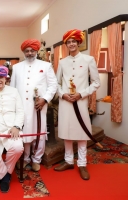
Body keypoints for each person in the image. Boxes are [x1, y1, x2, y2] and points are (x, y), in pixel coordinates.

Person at [54, 29, 100, 180]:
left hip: (80, 101)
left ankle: (82, 163)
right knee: (67, 132)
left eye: (74, 41)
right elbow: (56, 83)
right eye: (69, 42)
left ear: (79, 43)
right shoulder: (62, 62)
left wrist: (82, 93)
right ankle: (68, 161)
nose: (71, 44)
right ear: (66, 44)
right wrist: (63, 94)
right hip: (66, 102)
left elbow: (96, 83)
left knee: (81, 133)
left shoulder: (89, 59)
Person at [10, 39, 57, 172]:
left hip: (38, 106)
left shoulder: (46, 66)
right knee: (25, 133)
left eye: (32, 50)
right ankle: (25, 159)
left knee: (38, 132)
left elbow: (53, 85)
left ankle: (37, 159)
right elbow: (12, 88)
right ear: (24, 52)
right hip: (21, 106)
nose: (29, 53)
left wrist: (45, 99)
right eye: (27, 51)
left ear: (36, 51)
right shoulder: (17, 67)